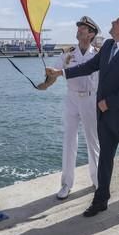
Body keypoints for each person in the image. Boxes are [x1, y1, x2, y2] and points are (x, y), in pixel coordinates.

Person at [46, 11, 119, 222]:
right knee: (105, 159)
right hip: (105, 115)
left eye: (117, 21)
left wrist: (107, 102)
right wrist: (61, 73)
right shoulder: (109, 46)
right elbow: (89, 67)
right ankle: (100, 200)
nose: (112, 22)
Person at [39, 16, 101, 200]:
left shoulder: (98, 54)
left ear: (91, 34)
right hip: (72, 99)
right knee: (69, 141)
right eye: (79, 27)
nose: (79, 30)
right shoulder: (67, 54)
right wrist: (45, 84)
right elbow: (54, 74)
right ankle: (66, 184)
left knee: (93, 142)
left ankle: (98, 181)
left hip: (91, 99)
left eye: (83, 28)